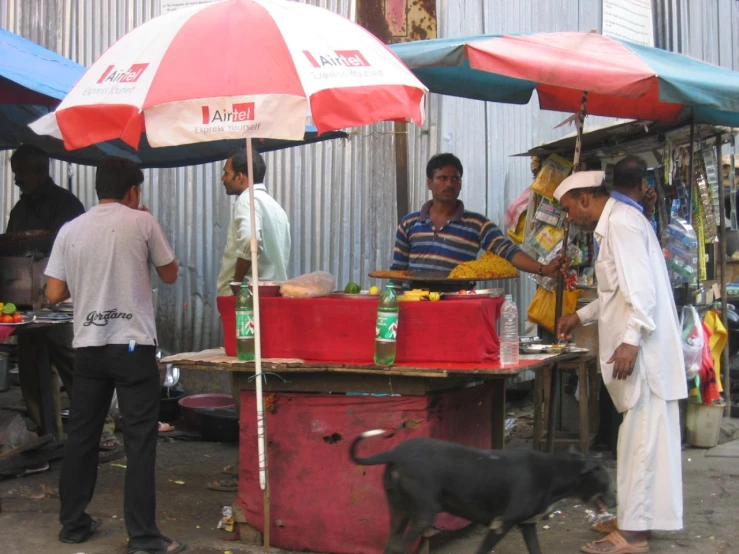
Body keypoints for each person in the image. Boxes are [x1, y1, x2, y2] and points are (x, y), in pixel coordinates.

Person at [45, 156, 185, 554]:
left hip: (88, 348)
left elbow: (54, 293)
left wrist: (89, 285)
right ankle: (142, 537)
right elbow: (170, 273)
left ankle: (73, 525)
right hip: (132, 347)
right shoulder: (142, 222)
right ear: (133, 191)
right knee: (140, 440)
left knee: (82, 437)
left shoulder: (70, 230)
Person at [554, 169, 687, 554]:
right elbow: (617, 293)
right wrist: (580, 316)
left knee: (641, 442)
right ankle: (635, 519)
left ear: (583, 199)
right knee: (638, 442)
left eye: (567, 209)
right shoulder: (613, 225)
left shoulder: (622, 224)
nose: (569, 218)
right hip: (640, 350)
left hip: (644, 355)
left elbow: (641, 291)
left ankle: (633, 537)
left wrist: (630, 342)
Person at [7, 145, 119, 449]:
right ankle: (48, 432)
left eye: (21, 172)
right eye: (14, 172)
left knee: (75, 364)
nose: (16, 179)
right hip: (27, 302)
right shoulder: (20, 209)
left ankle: (102, 428)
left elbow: (77, 247)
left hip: (62, 299)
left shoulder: (65, 203)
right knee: (32, 370)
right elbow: (11, 246)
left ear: (41, 170)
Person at [209, 147, 290, 492]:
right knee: (261, 382)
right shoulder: (275, 206)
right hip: (270, 303)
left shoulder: (247, 201)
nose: (223, 178)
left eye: (226, 173)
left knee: (245, 381)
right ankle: (265, 461)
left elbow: (249, 244)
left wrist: (236, 284)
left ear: (241, 176)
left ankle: (250, 466)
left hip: (248, 306)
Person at [391, 153, 563, 278]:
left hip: (458, 307)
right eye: (442, 178)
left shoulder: (476, 224)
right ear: (429, 183)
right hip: (413, 303)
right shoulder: (409, 223)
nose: (449, 184)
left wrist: (544, 269)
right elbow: (398, 270)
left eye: (455, 178)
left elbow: (508, 251)